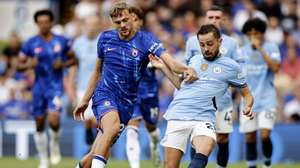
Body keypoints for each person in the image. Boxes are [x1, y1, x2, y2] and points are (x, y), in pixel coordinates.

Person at [73, 2, 197, 168]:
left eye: (125, 20)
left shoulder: (146, 41)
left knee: (95, 152)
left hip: (127, 102)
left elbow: (172, 64)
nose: (123, 25)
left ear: (132, 17)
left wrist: (187, 69)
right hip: (105, 94)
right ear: (112, 22)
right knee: (112, 128)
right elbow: (97, 72)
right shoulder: (105, 39)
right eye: (118, 22)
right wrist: (84, 100)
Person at [149, 24, 253, 168]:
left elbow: (247, 94)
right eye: (202, 45)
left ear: (220, 42)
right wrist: (162, 67)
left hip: (204, 118)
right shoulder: (195, 60)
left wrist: (248, 106)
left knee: (206, 145)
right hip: (178, 114)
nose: (206, 48)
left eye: (210, 44)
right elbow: (181, 87)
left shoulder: (231, 67)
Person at [185, 5, 243, 168]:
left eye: (218, 17)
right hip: (199, 101)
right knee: (197, 138)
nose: (214, 20)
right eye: (211, 17)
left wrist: (238, 91)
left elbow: (239, 69)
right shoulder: (192, 41)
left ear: (223, 20)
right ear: (205, 19)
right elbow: (185, 67)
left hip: (223, 101)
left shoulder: (231, 43)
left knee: (223, 138)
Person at [18, 9, 77, 168]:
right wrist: (29, 65)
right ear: (37, 24)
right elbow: (18, 65)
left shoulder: (62, 41)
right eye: (40, 22)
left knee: (54, 120)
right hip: (38, 88)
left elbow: (73, 60)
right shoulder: (30, 43)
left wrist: (63, 64)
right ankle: (43, 159)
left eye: (46, 22)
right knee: (39, 123)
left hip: (55, 87)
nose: (44, 25)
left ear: (51, 23)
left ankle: (55, 145)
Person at [240, 18, 281, 168]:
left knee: (264, 135)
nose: (253, 36)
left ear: (262, 33)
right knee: (250, 136)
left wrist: (261, 50)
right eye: (250, 34)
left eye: (256, 33)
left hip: (267, 99)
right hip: (248, 101)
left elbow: (276, 69)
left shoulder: (272, 47)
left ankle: (267, 162)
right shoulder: (242, 51)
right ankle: (251, 165)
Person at [125, 6, 161, 168]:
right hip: (131, 92)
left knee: (151, 127)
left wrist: (153, 65)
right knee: (132, 130)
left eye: (135, 19)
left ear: (140, 22)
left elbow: (162, 61)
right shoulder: (121, 41)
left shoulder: (149, 40)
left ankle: (155, 146)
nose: (131, 22)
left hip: (149, 92)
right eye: (128, 19)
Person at [72, 15, 101, 149]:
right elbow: (73, 67)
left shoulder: (102, 41)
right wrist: (72, 89)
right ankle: (91, 142)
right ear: (84, 26)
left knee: (97, 120)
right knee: (88, 120)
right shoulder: (78, 43)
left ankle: (95, 147)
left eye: (94, 24)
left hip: (100, 86)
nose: (91, 28)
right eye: (89, 25)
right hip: (83, 88)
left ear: (98, 26)